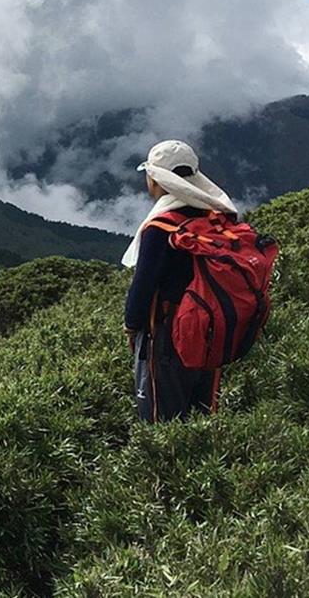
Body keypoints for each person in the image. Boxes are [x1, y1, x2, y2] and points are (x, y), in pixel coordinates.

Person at [122, 140, 237, 422]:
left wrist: (131, 326)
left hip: (168, 335)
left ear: (157, 180)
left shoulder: (161, 227)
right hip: (212, 333)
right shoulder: (215, 217)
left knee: (163, 422)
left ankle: (169, 466)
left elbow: (143, 285)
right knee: (203, 415)